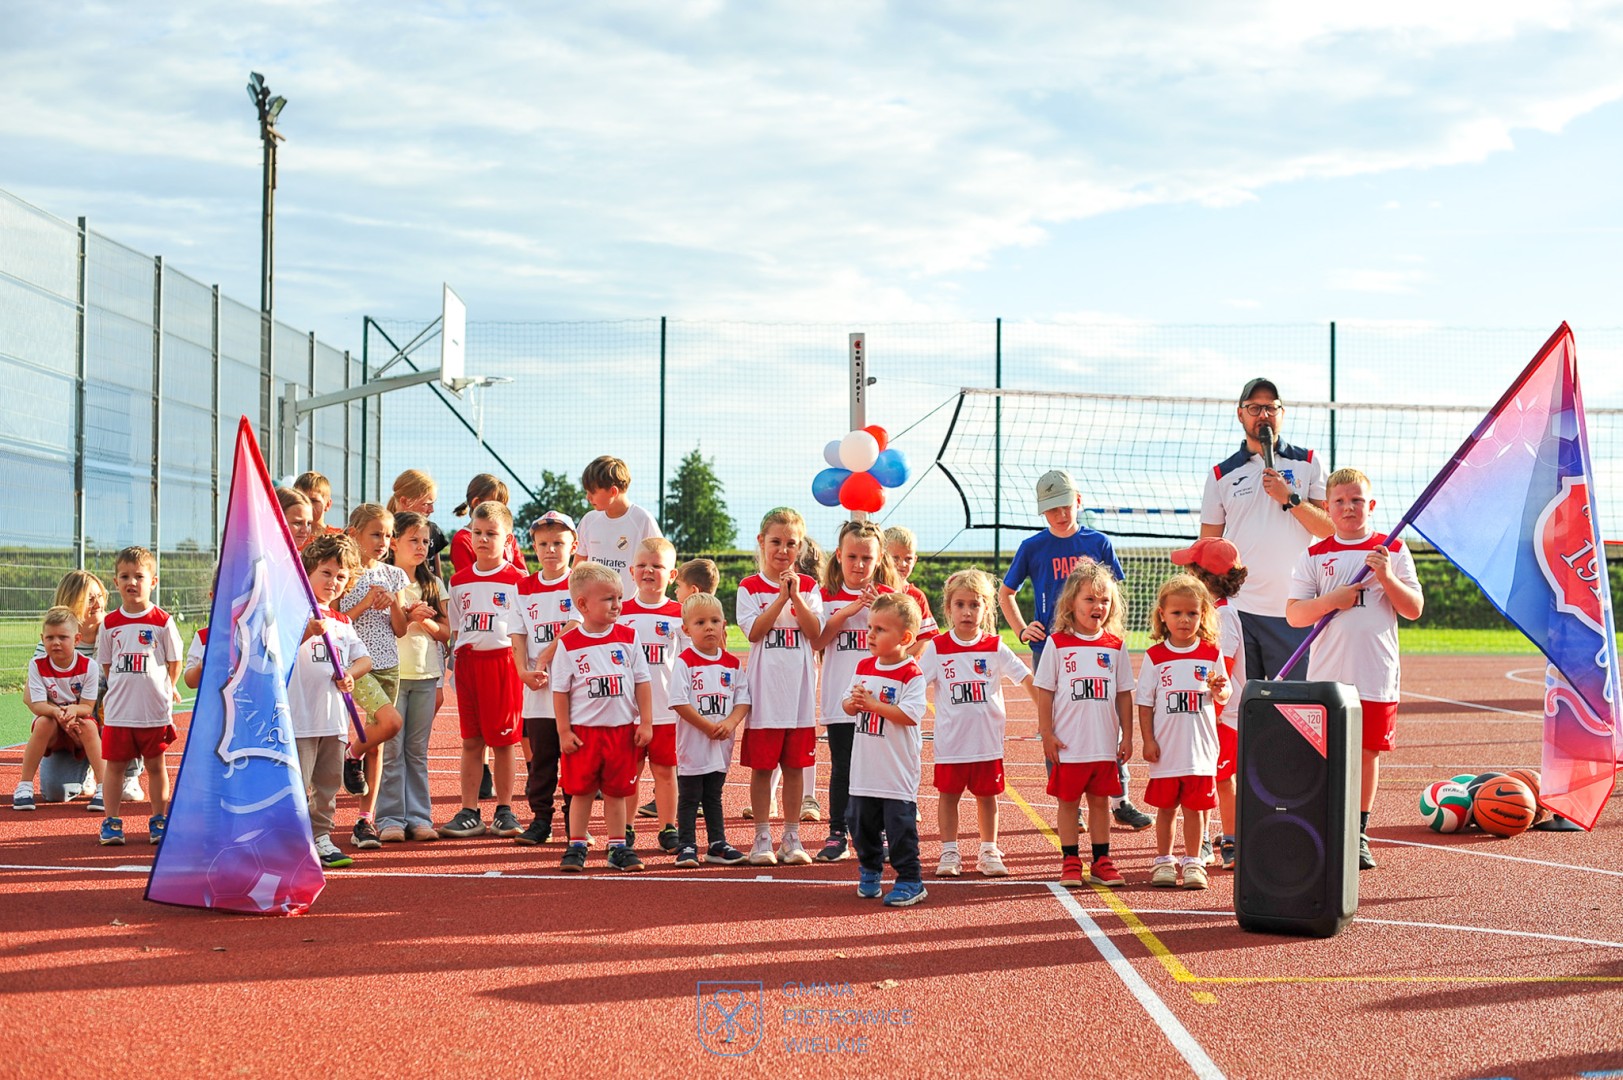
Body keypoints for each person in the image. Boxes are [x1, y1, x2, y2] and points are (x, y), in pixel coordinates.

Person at [1286, 467, 1423, 871]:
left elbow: (1413, 609)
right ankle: (1323, 828)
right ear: (1326, 507)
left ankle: (1358, 833)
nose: (1349, 508)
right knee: (1322, 756)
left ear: (1371, 505)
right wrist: (1334, 599)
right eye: (1340, 501)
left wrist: (1385, 576)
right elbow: (1295, 615)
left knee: (1366, 754)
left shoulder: (1392, 550)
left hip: (1375, 673)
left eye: (1357, 500)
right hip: (1327, 676)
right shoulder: (1314, 555)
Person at [1000, 469, 1150, 832]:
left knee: (1110, 720)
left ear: (1077, 501)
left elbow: (1112, 593)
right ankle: (1070, 804)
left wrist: (1110, 631)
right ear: (1042, 512)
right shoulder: (1032, 547)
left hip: (1097, 648)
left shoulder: (1098, 542)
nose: (1061, 515)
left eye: (1065, 506)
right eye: (1052, 510)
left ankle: (1121, 799)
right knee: (1054, 724)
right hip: (1053, 649)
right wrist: (1022, 629)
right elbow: (1006, 593)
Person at [1199, 377, 1333, 681]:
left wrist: (1290, 498)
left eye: (1270, 408)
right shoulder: (1221, 474)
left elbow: (1329, 529)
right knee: (1241, 710)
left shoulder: (1309, 462)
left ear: (1282, 413)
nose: (1263, 415)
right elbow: (1207, 547)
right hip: (1238, 612)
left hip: (1294, 611)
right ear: (1240, 413)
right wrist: (1209, 607)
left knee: (1292, 710)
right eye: (1254, 408)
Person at [919, 569, 1031, 878]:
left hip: (986, 743)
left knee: (988, 798)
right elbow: (914, 685)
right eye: (960, 604)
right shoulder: (938, 648)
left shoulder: (994, 646)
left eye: (975, 604)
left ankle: (988, 849)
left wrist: (1051, 714)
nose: (967, 611)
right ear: (949, 608)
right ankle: (949, 850)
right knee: (948, 796)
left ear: (986, 608)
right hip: (951, 744)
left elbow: (1025, 677)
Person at [1031, 560, 1136, 888]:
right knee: (1068, 803)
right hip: (1069, 744)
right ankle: (1070, 859)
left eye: (1104, 600)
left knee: (1101, 802)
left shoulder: (1115, 646)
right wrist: (1046, 733)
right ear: (1071, 603)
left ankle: (1102, 859)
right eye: (1089, 599)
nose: (1098, 606)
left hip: (1103, 744)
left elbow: (1123, 695)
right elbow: (1045, 691)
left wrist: (1128, 735)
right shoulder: (1058, 643)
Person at [552, 561, 654, 873]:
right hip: (584, 733)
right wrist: (564, 731)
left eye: (619, 598)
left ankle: (618, 847)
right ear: (582, 604)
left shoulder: (628, 636)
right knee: (580, 791)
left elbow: (642, 681)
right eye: (609, 598)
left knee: (617, 792)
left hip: (621, 731)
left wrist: (646, 721)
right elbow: (560, 690)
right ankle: (577, 845)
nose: (617, 605)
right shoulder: (569, 644)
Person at [736, 508, 825, 865]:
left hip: (800, 696)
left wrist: (798, 597)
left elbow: (815, 634)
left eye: (791, 544)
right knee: (762, 768)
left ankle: (791, 836)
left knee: (794, 768)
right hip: (764, 695)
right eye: (775, 542)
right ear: (762, 542)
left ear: (799, 547)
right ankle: (761, 836)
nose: (782, 550)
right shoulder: (749, 587)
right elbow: (755, 632)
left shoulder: (812, 587)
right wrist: (780, 598)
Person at [1135, 575, 1231, 890]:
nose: (1185, 619)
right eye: (1177, 613)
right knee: (1166, 809)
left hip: (1200, 750)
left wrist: (1220, 689)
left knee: (1195, 809)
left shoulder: (1209, 652)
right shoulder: (1155, 657)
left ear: (1202, 615)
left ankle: (1193, 862)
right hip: (1166, 750)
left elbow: (1223, 693)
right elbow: (1145, 703)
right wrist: (1148, 740)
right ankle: (1163, 861)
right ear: (1162, 614)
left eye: (1192, 613)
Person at [441, 500, 529, 839]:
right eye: (476, 532)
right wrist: (454, 662)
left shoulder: (519, 580)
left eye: (491, 533)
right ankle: (469, 810)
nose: (482, 539)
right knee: (471, 741)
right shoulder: (459, 580)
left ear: (508, 539)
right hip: (469, 666)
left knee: (505, 742)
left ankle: (505, 810)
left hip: (503, 663)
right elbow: (457, 628)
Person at [810, 520, 896, 862]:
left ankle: (882, 833)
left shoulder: (888, 597)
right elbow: (817, 640)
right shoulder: (825, 595)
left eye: (866, 558)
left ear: (878, 559)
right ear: (839, 556)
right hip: (840, 699)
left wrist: (881, 609)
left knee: (879, 767)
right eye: (852, 557)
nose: (859, 565)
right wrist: (850, 610)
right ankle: (837, 834)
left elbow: (904, 643)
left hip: (881, 700)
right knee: (842, 767)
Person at [94, 547, 184, 846]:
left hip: (153, 711)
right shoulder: (109, 624)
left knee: (156, 766)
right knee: (115, 768)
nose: (132, 582)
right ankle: (111, 821)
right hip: (120, 712)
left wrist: (169, 686)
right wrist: (120, 684)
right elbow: (107, 663)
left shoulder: (162, 620)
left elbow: (174, 660)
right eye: (125, 576)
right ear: (116, 581)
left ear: (153, 581)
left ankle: (159, 820)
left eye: (139, 576)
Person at [844, 593, 929, 907]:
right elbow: (847, 704)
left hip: (896, 773)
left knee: (900, 827)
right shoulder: (864, 665)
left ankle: (910, 878)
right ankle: (869, 868)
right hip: (864, 770)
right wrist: (853, 703)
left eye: (880, 629)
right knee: (859, 822)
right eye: (870, 627)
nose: (870, 634)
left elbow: (909, 715)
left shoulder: (911, 674)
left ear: (905, 637)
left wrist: (875, 705)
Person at [288, 533, 366, 869]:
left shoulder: (343, 622)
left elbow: (364, 660)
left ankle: (321, 835)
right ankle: (292, 839)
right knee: (297, 783)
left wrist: (350, 674)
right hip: (301, 717)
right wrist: (305, 632)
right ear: (309, 572)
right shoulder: (292, 613)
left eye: (341, 576)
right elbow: (275, 651)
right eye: (326, 573)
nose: (333, 582)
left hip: (333, 720)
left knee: (327, 783)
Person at [1170, 537, 1248, 871]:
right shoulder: (1209, 614)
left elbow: (1223, 674)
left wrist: (1207, 716)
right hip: (1203, 712)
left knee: (1222, 777)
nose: (1185, 575)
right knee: (1201, 775)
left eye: (1190, 569)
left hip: (1223, 715)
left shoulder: (1224, 618)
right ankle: (1202, 838)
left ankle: (1230, 840)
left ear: (1205, 578)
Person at [336, 503, 409, 846]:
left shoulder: (393, 574)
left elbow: (400, 630)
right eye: (375, 534)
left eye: (388, 534)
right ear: (354, 534)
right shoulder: (343, 574)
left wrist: (394, 602)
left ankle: (365, 821)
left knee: (377, 744)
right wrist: (365, 601)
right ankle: (350, 756)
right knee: (390, 722)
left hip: (389, 665)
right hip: (356, 664)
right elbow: (338, 620)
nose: (383, 541)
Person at [377, 509, 451, 844]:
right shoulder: (382, 581)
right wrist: (407, 616)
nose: (421, 547)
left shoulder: (433, 584)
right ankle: (389, 818)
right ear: (394, 543)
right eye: (413, 540)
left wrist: (427, 622)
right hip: (392, 675)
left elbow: (446, 632)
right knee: (392, 750)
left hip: (425, 676)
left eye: (425, 541)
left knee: (416, 751)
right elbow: (382, 630)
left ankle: (419, 817)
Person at [512, 511, 582, 846]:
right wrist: (522, 671)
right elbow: (517, 635)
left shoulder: (580, 583)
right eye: (543, 543)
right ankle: (541, 821)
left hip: (574, 692)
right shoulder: (522, 588)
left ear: (573, 545)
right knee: (541, 762)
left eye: (558, 542)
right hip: (537, 692)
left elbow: (572, 627)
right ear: (534, 547)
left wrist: (542, 658)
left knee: (574, 760)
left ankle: (574, 822)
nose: (550, 549)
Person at [667, 592, 750, 867]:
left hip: (721, 745)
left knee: (714, 795)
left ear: (724, 624)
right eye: (700, 622)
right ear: (686, 629)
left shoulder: (733, 663)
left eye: (715, 620)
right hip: (693, 744)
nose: (709, 627)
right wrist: (706, 726)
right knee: (690, 796)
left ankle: (717, 844)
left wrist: (729, 723)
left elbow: (742, 700)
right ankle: (687, 844)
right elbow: (679, 701)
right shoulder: (685, 661)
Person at [618, 537, 683, 854]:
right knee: (628, 775)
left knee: (665, 773)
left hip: (667, 713)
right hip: (627, 713)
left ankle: (668, 827)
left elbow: (689, 662)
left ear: (672, 575)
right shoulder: (620, 613)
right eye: (642, 565)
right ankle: (625, 828)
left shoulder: (680, 615)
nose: (648, 571)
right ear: (631, 571)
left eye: (657, 566)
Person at [14, 607, 103, 813]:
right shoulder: (37, 665)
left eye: (63, 637)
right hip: (53, 724)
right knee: (44, 722)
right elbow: (36, 704)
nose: (55, 642)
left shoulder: (89, 666)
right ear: (42, 638)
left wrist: (72, 710)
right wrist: (57, 713)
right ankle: (24, 785)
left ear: (77, 639)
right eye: (50, 637)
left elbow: (87, 706)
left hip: (77, 722)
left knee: (89, 727)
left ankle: (103, 786)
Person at [575, 455, 662, 599]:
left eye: (592, 492)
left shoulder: (643, 520)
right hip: (593, 609)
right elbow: (578, 569)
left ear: (613, 492)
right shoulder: (589, 520)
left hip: (629, 612)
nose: (588, 497)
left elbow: (659, 565)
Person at [450, 474, 525, 575]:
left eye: (504, 504)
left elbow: (523, 575)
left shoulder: (507, 537)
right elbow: (467, 581)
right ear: (476, 503)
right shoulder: (462, 540)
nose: (501, 509)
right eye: (496, 503)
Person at [883, 526, 940, 654]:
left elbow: (926, 637)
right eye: (895, 558)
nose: (902, 564)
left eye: (908, 559)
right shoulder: (870, 590)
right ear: (882, 557)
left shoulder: (916, 596)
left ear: (915, 560)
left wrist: (900, 661)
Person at [387, 469, 448, 579]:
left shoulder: (432, 529)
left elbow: (437, 574)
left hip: (428, 593)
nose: (431, 509)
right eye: (426, 504)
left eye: (425, 541)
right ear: (405, 501)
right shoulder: (385, 531)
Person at [294, 471, 344, 536]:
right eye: (301, 499)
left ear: (328, 504)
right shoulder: (287, 537)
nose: (306, 504)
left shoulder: (338, 537)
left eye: (313, 500)